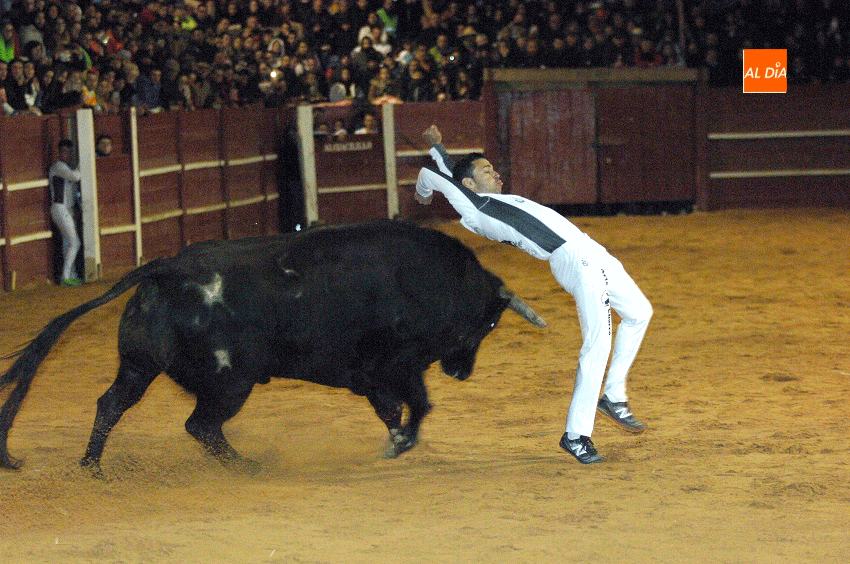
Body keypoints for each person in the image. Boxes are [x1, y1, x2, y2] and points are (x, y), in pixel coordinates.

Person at [415, 125, 652, 464]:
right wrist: (423, 192)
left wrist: (439, 147)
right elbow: (433, 177)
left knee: (639, 312)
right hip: (574, 259)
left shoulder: (482, 197)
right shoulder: (476, 206)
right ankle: (577, 435)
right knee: (597, 343)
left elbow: (448, 174)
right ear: (469, 185)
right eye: (486, 171)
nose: (496, 174)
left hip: (588, 248)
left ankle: (613, 395)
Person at [49, 138, 83, 286]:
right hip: (60, 209)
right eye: (63, 151)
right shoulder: (58, 166)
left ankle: (71, 274)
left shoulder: (66, 167)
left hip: (65, 210)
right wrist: (83, 163)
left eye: (68, 152)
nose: (66, 154)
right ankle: (65, 277)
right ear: (59, 152)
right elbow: (75, 176)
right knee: (75, 243)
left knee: (67, 243)